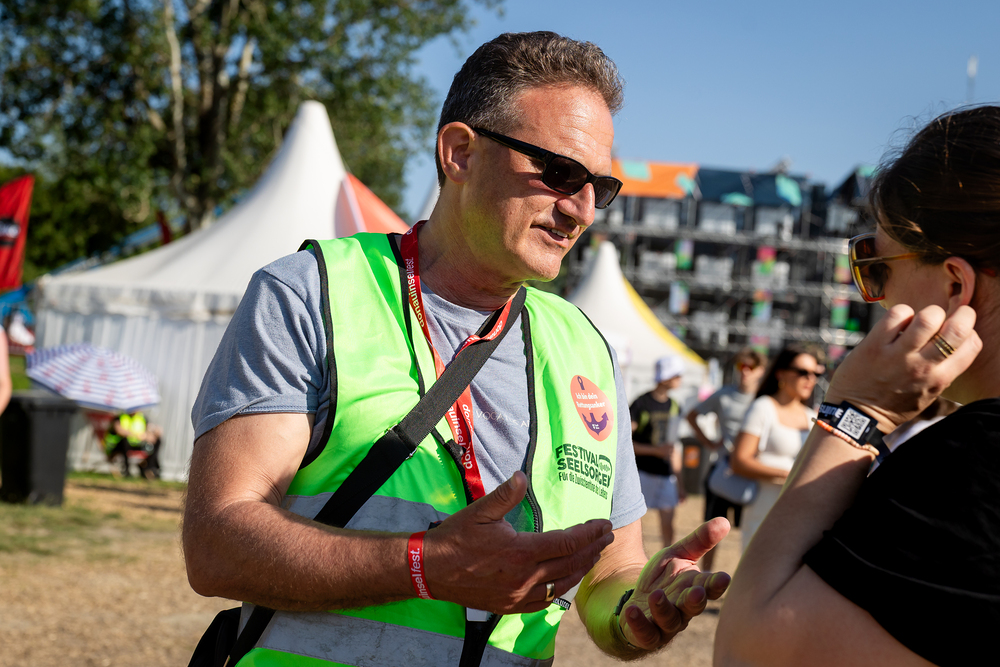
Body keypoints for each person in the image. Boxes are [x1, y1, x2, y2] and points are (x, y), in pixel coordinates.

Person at [182, 31, 731, 667]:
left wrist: (637, 610)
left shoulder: (585, 349)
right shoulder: (314, 292)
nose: (582, 211)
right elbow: (217, 543)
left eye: (599, 187)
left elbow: (612, 571)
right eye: (560, 174)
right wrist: (424, 568)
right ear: (460, 153)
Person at [715, 106, 1000, 667]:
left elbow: (749, 652)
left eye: (878, 267)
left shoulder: (971, 464)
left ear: (954, 285)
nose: (879, 297)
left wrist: (855, 413)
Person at [729, 345, 821, 552]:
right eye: (802, 372)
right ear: (781, 373)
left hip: (800, 513)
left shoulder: (811, 416)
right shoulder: (763, 407)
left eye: (815, 373)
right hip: (764, 508)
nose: (810, 379)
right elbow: (739, 460)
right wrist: (788, 474)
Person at [686, 347, 766, 570]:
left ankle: (747, 578)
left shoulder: (765, 400)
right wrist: (709, 443)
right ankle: (705, 576)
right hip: (723, 469)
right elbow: (691, 416)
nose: (745, 371)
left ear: (761, 371)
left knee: (753, 528)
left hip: (753, 471)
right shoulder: (724, 394)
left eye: (751, 367)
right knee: (712, 529)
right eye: (741, 366)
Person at [630, 355, 686, 548]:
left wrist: (680, 483)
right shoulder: (641, 403)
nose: (680, 379)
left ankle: (667, 560)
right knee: (634, 526)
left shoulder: (675, 406)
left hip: (666, 475)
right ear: (665, 377)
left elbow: (673, 448)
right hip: (641, 474)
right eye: (677, 375)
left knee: (669, 526)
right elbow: (624, 443)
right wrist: (655, 451)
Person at [104, 411, 162, 479]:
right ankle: (126, 470)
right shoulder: (120, 417)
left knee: (157, 441)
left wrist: (152, 433)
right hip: (118, 446)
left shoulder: (141, 417)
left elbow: (150, 428)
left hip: (135, 445)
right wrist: (137, 435)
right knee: (124, 441)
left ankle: (150, 468)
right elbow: (119, 430)